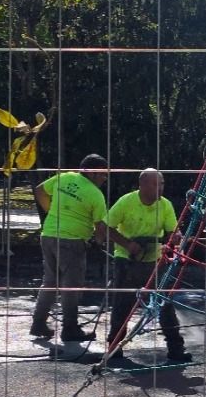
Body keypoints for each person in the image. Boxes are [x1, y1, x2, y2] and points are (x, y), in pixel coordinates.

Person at [30, 154, 140, 342]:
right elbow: (101, 226)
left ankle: (38, 322)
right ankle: (70, 328)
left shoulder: (64, 177)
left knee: (50, 281)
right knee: (71, 286)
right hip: (72, 241)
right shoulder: (95, 194)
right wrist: (98, 242)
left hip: (48, 235)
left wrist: (53, 212)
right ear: (93, 172)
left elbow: (40, 191)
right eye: (103, 174)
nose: (105, 179)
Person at [105, 168, 190, 362]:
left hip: (154, 261)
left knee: (164, 304)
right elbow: (106, 227)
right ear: (142, 185)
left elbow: (171, 232)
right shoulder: (126, 202)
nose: (159, 188)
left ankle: (176, 349)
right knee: (123, 304)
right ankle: (113, 348)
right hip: (127, 261)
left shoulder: (165, 205)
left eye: (161, 184)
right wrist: (128, 244)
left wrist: (176, 238)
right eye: (154, 184)